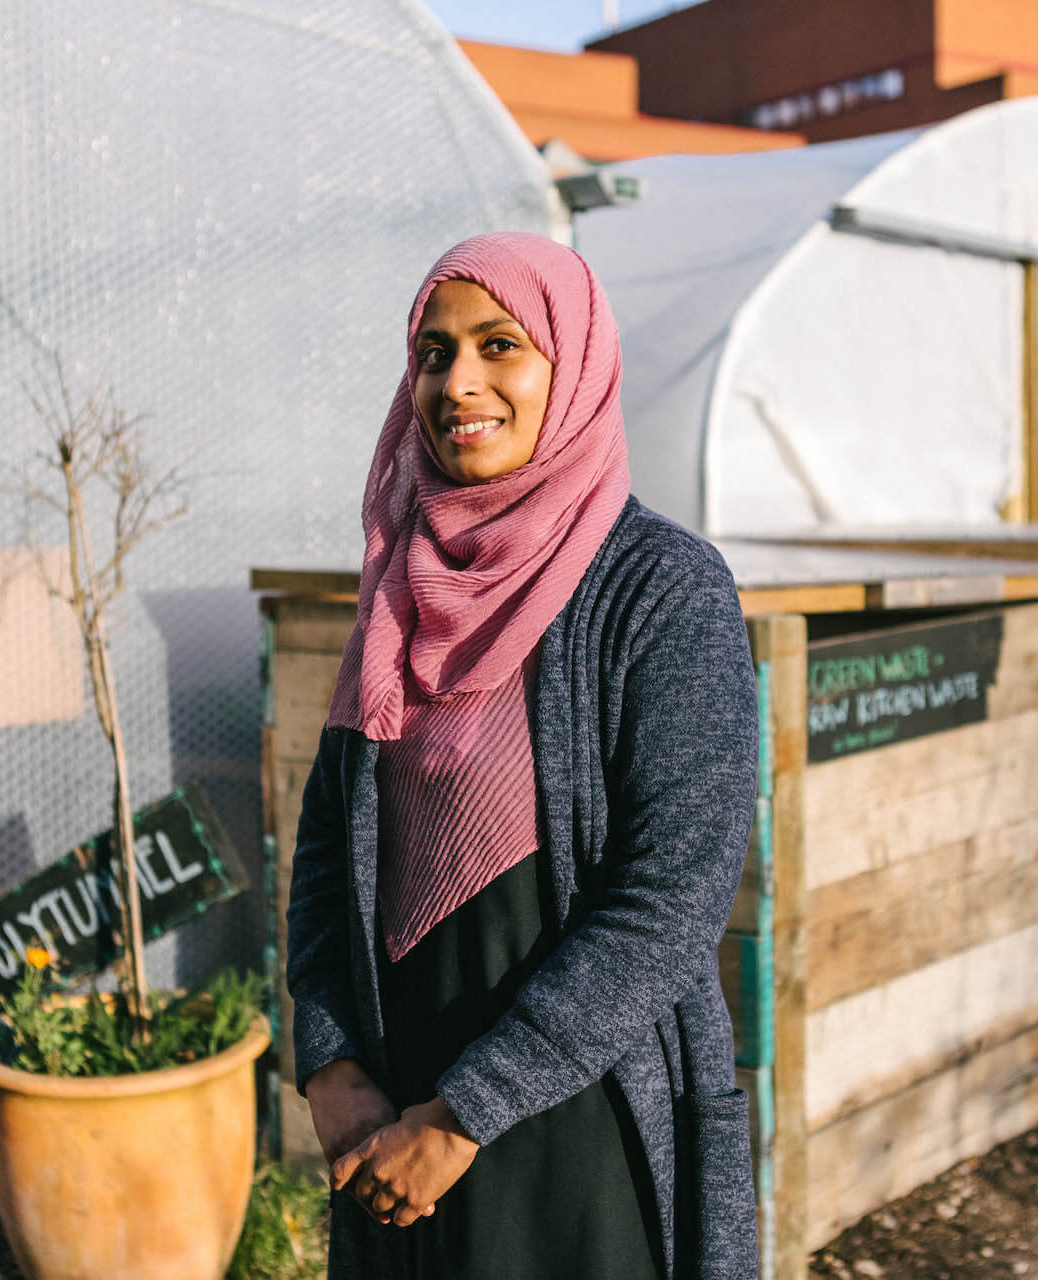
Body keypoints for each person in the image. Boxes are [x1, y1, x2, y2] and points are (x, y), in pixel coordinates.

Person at [285, 231, 759, 1279]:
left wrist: (464, 1114)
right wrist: (329, 1065)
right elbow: (326, 850)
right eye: (433, 353)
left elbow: (673, 896)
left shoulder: (660, 590)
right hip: (393, 1134)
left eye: (502, 345)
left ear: (575, 362)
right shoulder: (401, 589)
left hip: (573, 1131)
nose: (460, 382)